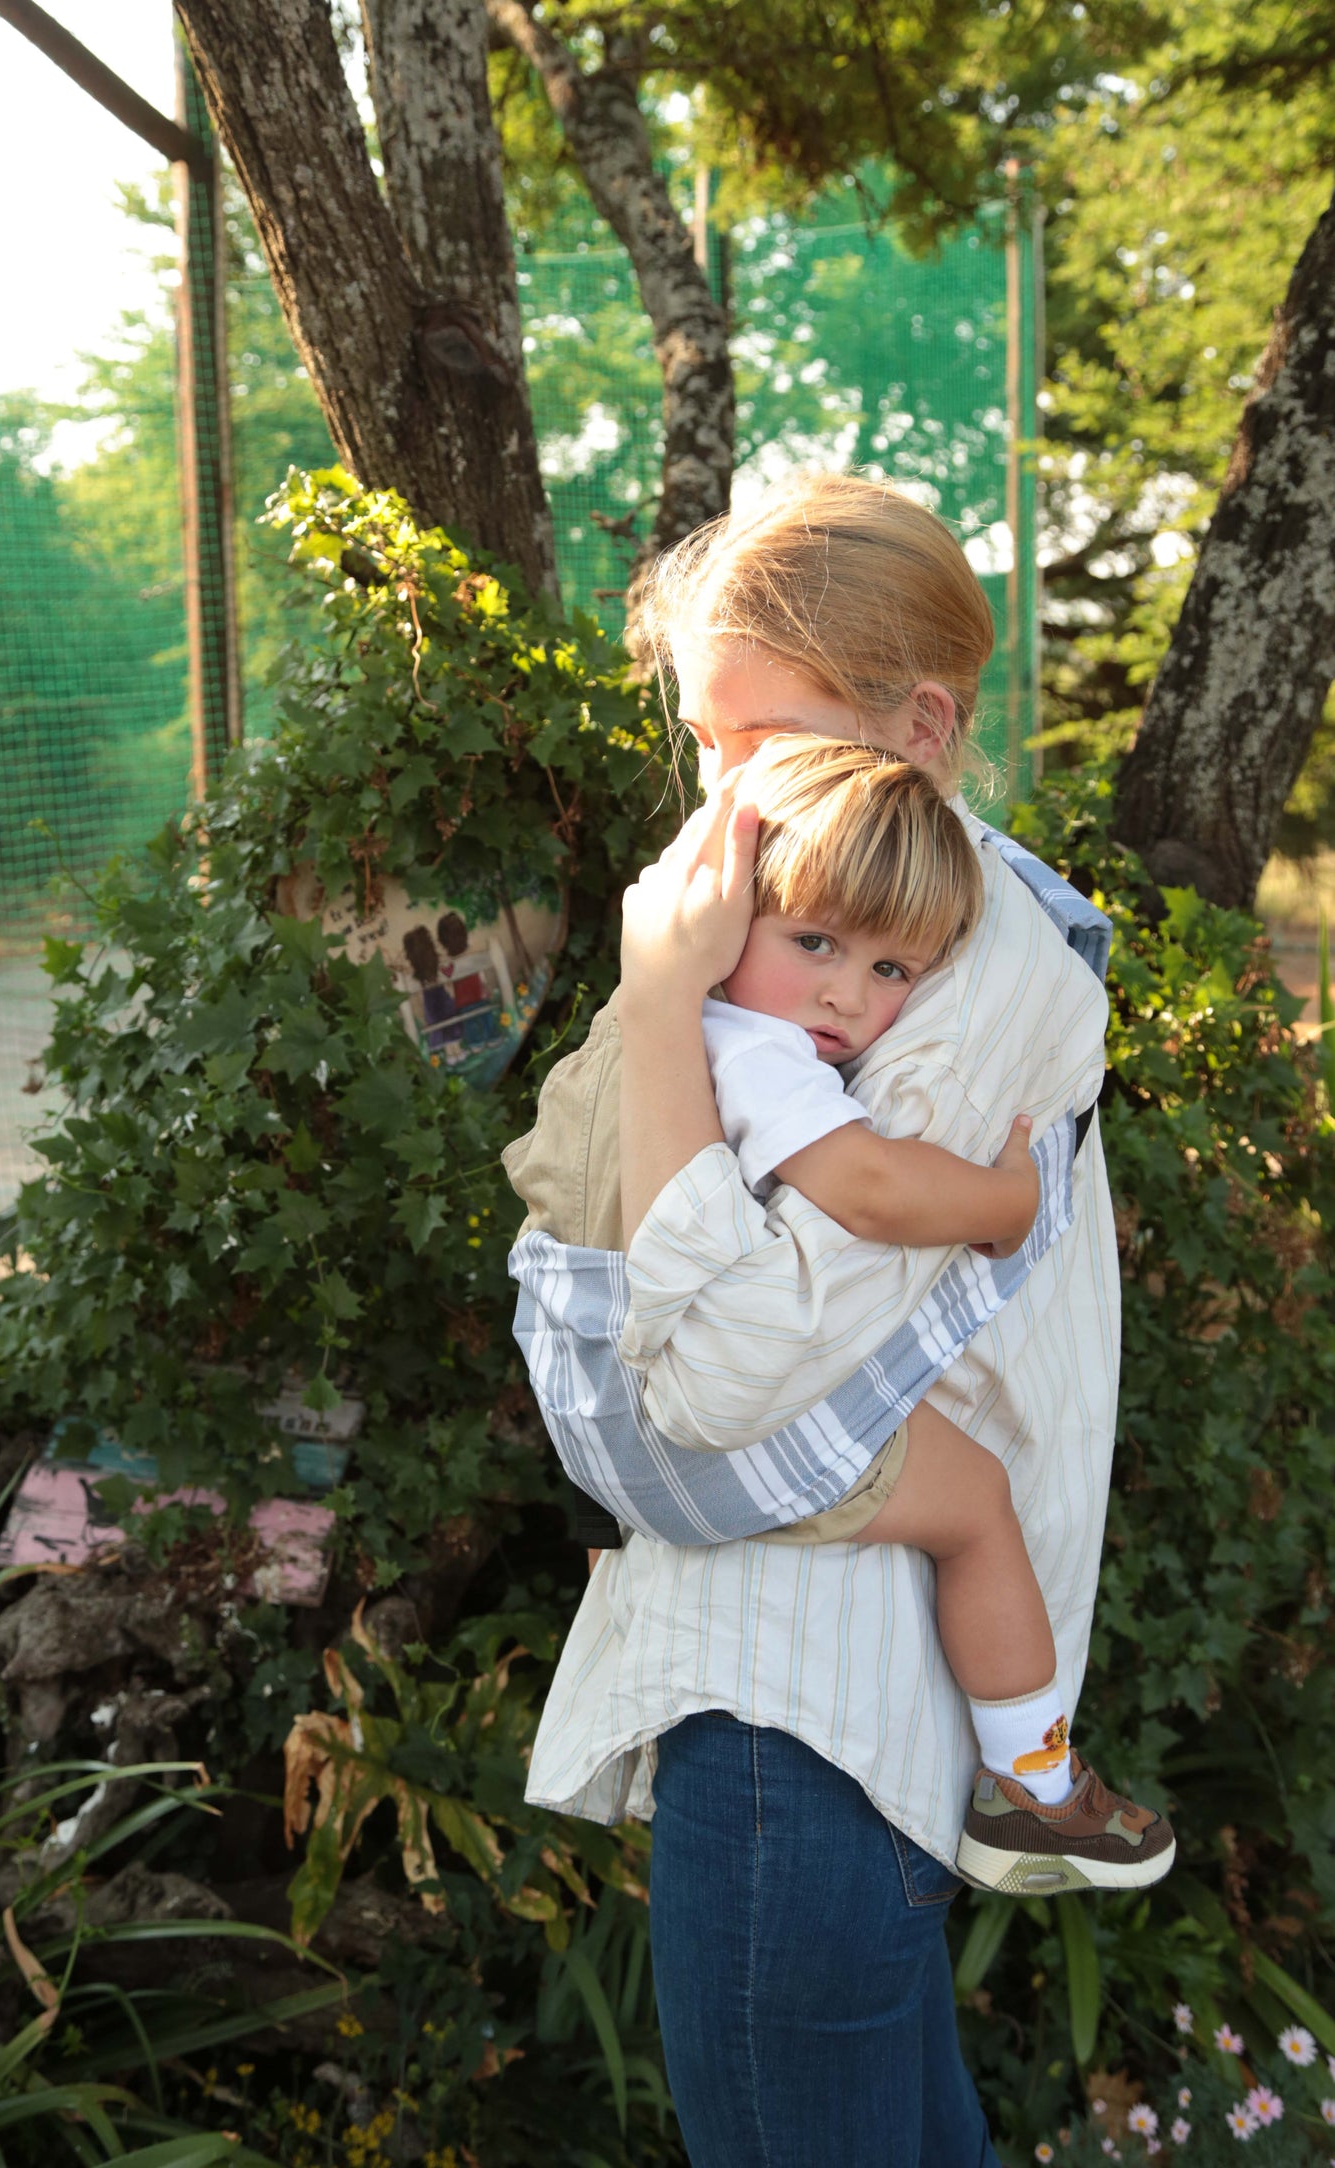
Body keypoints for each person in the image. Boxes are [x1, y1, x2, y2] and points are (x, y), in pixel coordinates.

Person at [502, 472, 1135, 2167]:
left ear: (918, 725)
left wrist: (649, 997)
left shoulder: (943, 970)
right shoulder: (815, 932)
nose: (719, 795)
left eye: (758, 737)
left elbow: (705, 1379)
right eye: (703, 742)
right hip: (811, 1708)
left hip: (803, 1718)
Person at [668, 731, 1172, 1895]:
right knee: (981, 1506)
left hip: (744, 1397)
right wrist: (1003, 1203)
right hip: (758, 1418)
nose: (846, 992)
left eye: (893, 970)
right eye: (814, 942)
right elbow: (874, 1187)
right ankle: (1035, 1786)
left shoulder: (754, 1032)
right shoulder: (751, 1051)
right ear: (729, 915)